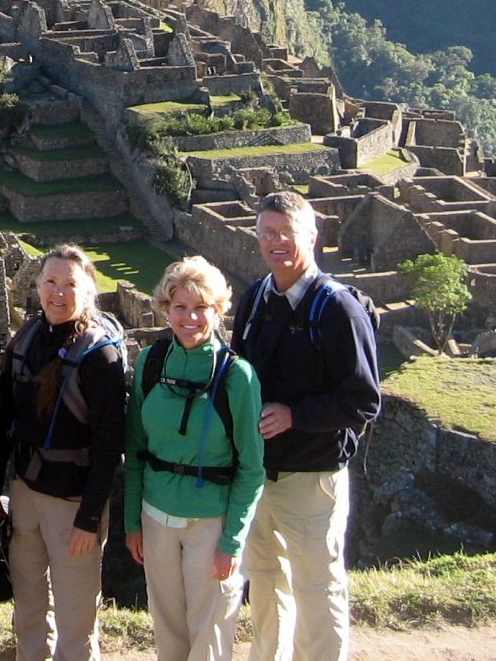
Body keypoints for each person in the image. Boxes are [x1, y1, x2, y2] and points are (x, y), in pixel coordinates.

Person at [231, 191, 381, 661]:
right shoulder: (255, 298)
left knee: (317, 588)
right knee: (265, 582)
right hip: (258, 474)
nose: (275, 243)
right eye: (267, 234)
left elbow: (363, 401)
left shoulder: (337, 310)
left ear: (311, 238)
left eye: (285, 234)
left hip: (312, 478)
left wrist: (295, 416)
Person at [0, 244, 127, 661]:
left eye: (69, 284)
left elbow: (109, 448)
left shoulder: (101, 357)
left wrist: (90, 519)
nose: (58, 293)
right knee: (28, 607)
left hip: (74, 503)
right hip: (25, 493)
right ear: (38, 286)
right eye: (50, 281)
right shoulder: (27, 339)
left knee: (76, 619)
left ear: (88, 291)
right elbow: (3, 415)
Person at [123, 257, 264, 661]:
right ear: (165, 310)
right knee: (167, 627)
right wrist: (133, 522)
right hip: (156, 518)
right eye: (179, 307)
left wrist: (232, 539)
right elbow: (135, 450)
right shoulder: (151, 363)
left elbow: (252, 468)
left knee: (210, 630)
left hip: (211, 523)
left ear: (217, 311)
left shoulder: (238, 376)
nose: (189, 318)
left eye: (201, 307)